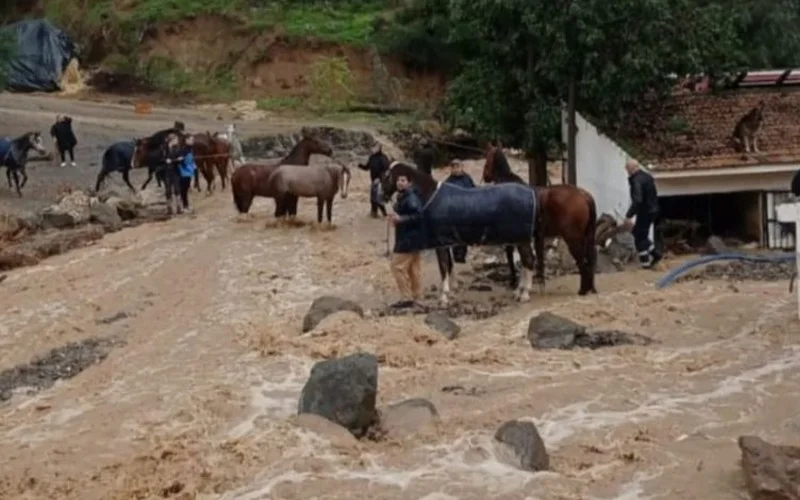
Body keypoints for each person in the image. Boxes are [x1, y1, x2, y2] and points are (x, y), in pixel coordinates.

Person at [389, 173, 426, 308]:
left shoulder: (411, 198)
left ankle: (406, 298)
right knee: (413, 269)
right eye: (398, 180)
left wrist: (401, 219)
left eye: (403, 180)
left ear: (409, 183)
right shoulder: (405, 197)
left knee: (396, 266)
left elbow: (419, 216)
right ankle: (418, 297)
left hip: (408, 240)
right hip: (414, 240)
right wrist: (397, 219)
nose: (399, 182)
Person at [623, 160, 662, 268]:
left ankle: (646, 263)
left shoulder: (636, 180)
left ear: (632, 168)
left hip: (645, 211)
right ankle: (654, 254)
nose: (627, 172)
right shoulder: (647, 177)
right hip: (653, 210)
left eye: (627, 169)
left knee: (639, 238)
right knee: (639, 234)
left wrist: (628, 216)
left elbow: (638, 200)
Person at [444, 158, 475, 263]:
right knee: (455, 236)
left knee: (464, 236)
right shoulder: (447, 182)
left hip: (466, 212)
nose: (455, 169)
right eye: (453, 167)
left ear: (462, 167)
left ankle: (462, 256)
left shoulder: (467, 179)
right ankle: (457, 256)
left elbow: (474, 192)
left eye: (457, 166)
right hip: (453, 214)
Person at [358, 142, 391, 217]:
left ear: (379, 148)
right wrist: (360, 166)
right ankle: (374, 214)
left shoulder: (383, 158)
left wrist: (379, 179)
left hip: (381, 182)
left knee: (378, 199)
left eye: (374, 148)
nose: (372, 149)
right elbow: (367, 167)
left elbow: (387, 171)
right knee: (373, 199)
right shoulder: (372, 157)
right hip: (373, 181)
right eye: (372, 148)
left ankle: (384, 214)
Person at [178, 135, 197, 213]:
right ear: (186, 140)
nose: (192, 141)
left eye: (193, 140)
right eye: (191, 140)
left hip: (189, 173)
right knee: (183, 190)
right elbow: (181, 162)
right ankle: (184, 206)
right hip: (183, 173)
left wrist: (194, 166)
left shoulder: (191, 149)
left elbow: (192, 160)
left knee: (186, 190)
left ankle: (186, 205)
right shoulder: (183, 149)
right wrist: (189, 168)